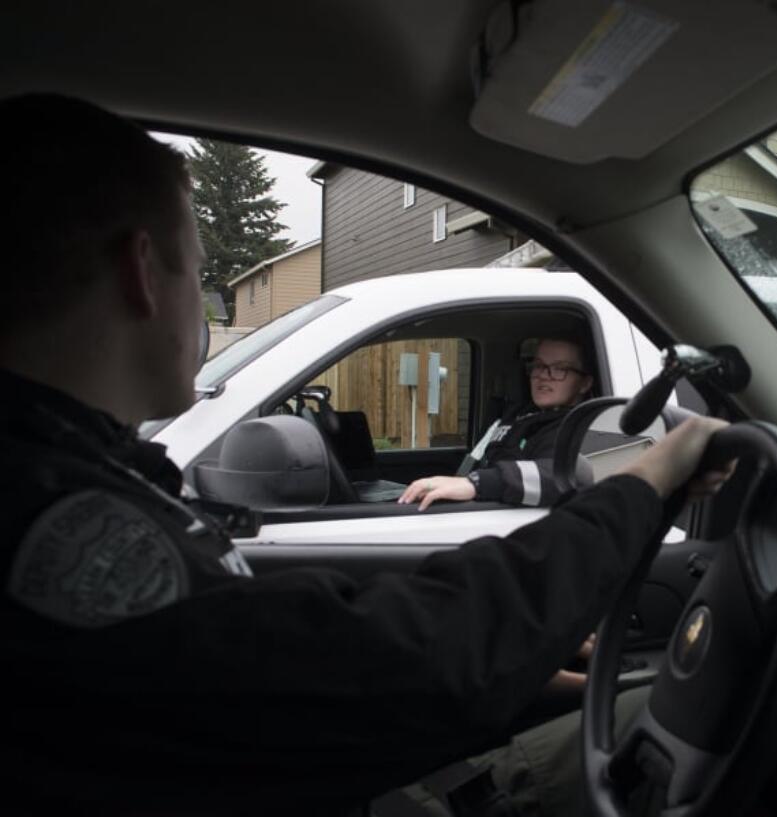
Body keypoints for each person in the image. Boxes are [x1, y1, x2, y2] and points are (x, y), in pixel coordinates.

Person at [0, 93, 732, 816]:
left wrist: (525, 669)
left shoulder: (71, 475)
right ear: (141, 270)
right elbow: (367, 663)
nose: (206, 304)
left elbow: (266, 678)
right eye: (198, 272)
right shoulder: (60, 522)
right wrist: (648, 477)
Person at [397, 336, 594, 510]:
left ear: (585, 383)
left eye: (560, 368)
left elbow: (566, 477)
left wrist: (476, 484)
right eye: (539, 365)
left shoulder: (581, 428)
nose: (543, 375)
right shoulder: (517, 414)